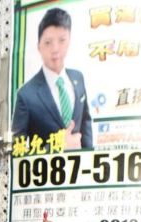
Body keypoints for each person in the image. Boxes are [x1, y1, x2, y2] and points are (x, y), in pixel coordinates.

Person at [12, 7, 94, 149]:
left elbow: (85, 123)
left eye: (61, 40)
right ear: (39, 46)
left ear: (69, 41)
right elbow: (17, 149)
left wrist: (89, 155)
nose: (55, 49)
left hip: (81, 163)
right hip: (47, 164)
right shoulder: (26, 95)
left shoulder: (78, 78)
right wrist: (58, 146)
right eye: (48, 42)